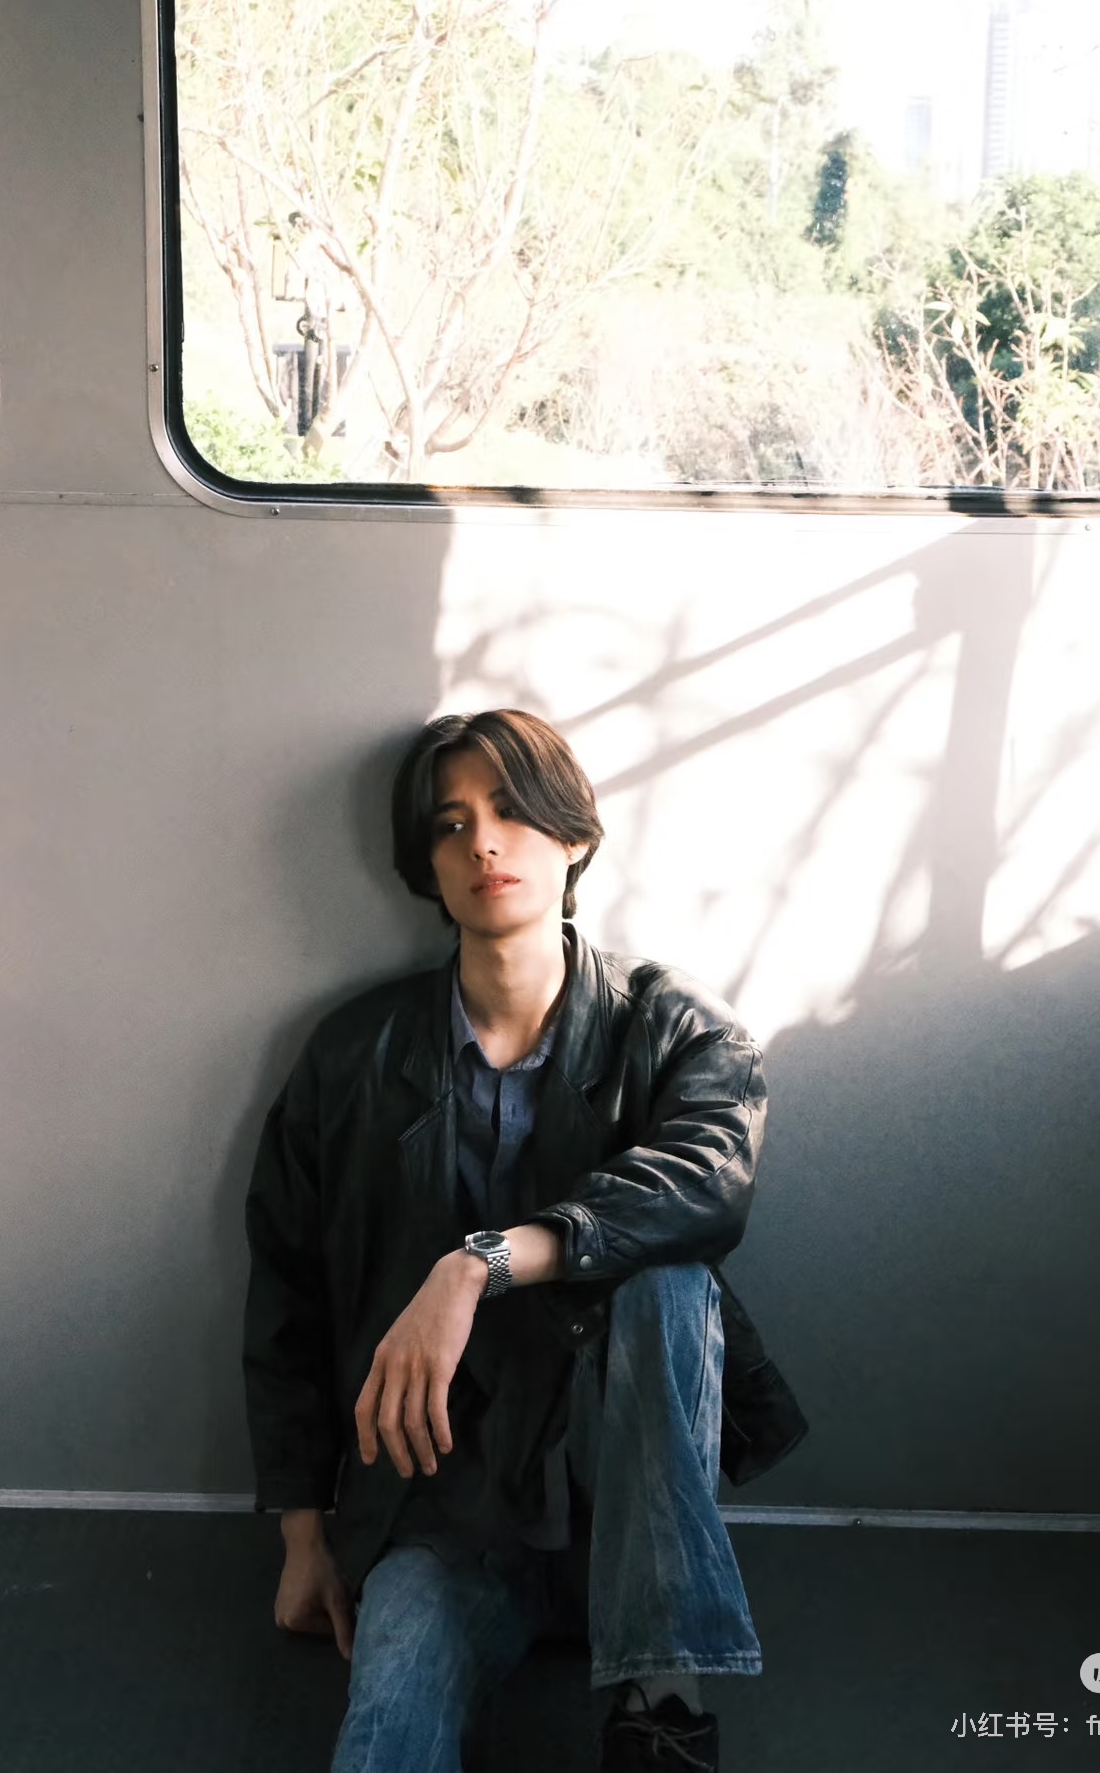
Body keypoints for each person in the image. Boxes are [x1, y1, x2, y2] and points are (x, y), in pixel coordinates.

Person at [243, 708, 807, 1773]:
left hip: (627, 1515)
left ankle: (661, 1703)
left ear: (574, 835)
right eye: (451, 824)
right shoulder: (352, 1057)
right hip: (441, 1510)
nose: (483, 844)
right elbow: (287, 1290)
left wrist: (480, 1263)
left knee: (666, 1281)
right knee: (384, 1737)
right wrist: (304, 1536)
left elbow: (706, 1184)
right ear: (425, 864)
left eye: (510, 811)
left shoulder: (675, 1026)